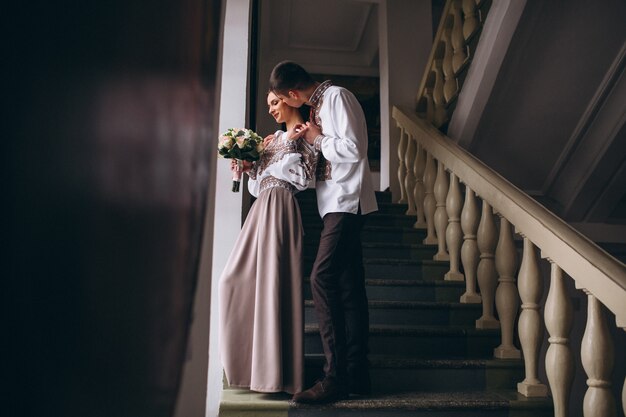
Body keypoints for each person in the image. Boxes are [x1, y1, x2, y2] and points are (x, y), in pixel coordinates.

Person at [269, 61, 378, 403]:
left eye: (282, 99)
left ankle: (335, 378)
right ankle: (357, 375)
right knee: (348, 288)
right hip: (333, 204)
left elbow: (355, 149)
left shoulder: (337, 98)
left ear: (292, 93)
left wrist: (317, 138)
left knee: (320, 278)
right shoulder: (316, 108)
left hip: (347, 202)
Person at [218, 92, 316, 394]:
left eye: (274, 102)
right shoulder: (270, 140)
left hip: (283, 209)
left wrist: (290, 145)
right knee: (231, 280)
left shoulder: (305, 134)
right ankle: (249, 369)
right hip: (260, 210)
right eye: (269, 105)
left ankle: (275, 375)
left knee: (274, 285)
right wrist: (247, 168)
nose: (271, 109)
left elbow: (306, 178)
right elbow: (258, 185)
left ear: (290, 99)